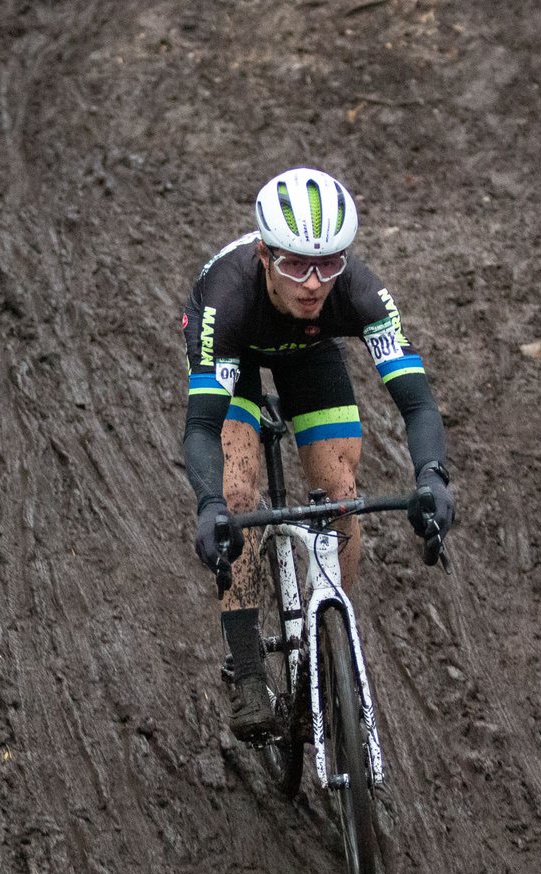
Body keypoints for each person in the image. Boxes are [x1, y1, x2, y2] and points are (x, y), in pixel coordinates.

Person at [180, 167, 455, 741]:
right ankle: (247, 669)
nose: (312, 283)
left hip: (309, 353)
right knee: (238, 491)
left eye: (328, 264)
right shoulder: (226, 299)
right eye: (294, 265)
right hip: (238, 351)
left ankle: (331, 641)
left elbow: (418, 405)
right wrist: (210, 506)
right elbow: (202, 426)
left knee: (341, 490)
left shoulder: (359, 293)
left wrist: (432, 475)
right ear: (263, 254)